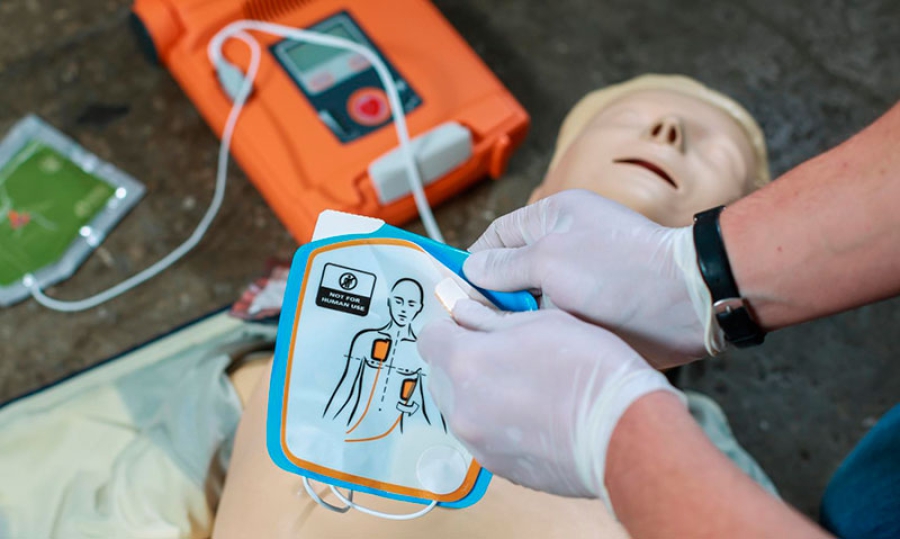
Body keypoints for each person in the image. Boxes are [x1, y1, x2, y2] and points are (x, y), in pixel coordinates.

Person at [418, 101, 900, 538]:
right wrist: (697, 271)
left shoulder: (709, 450)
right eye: (623, 118)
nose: (668, 129)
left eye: (717, 152)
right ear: (540, 192)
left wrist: (617, 439)